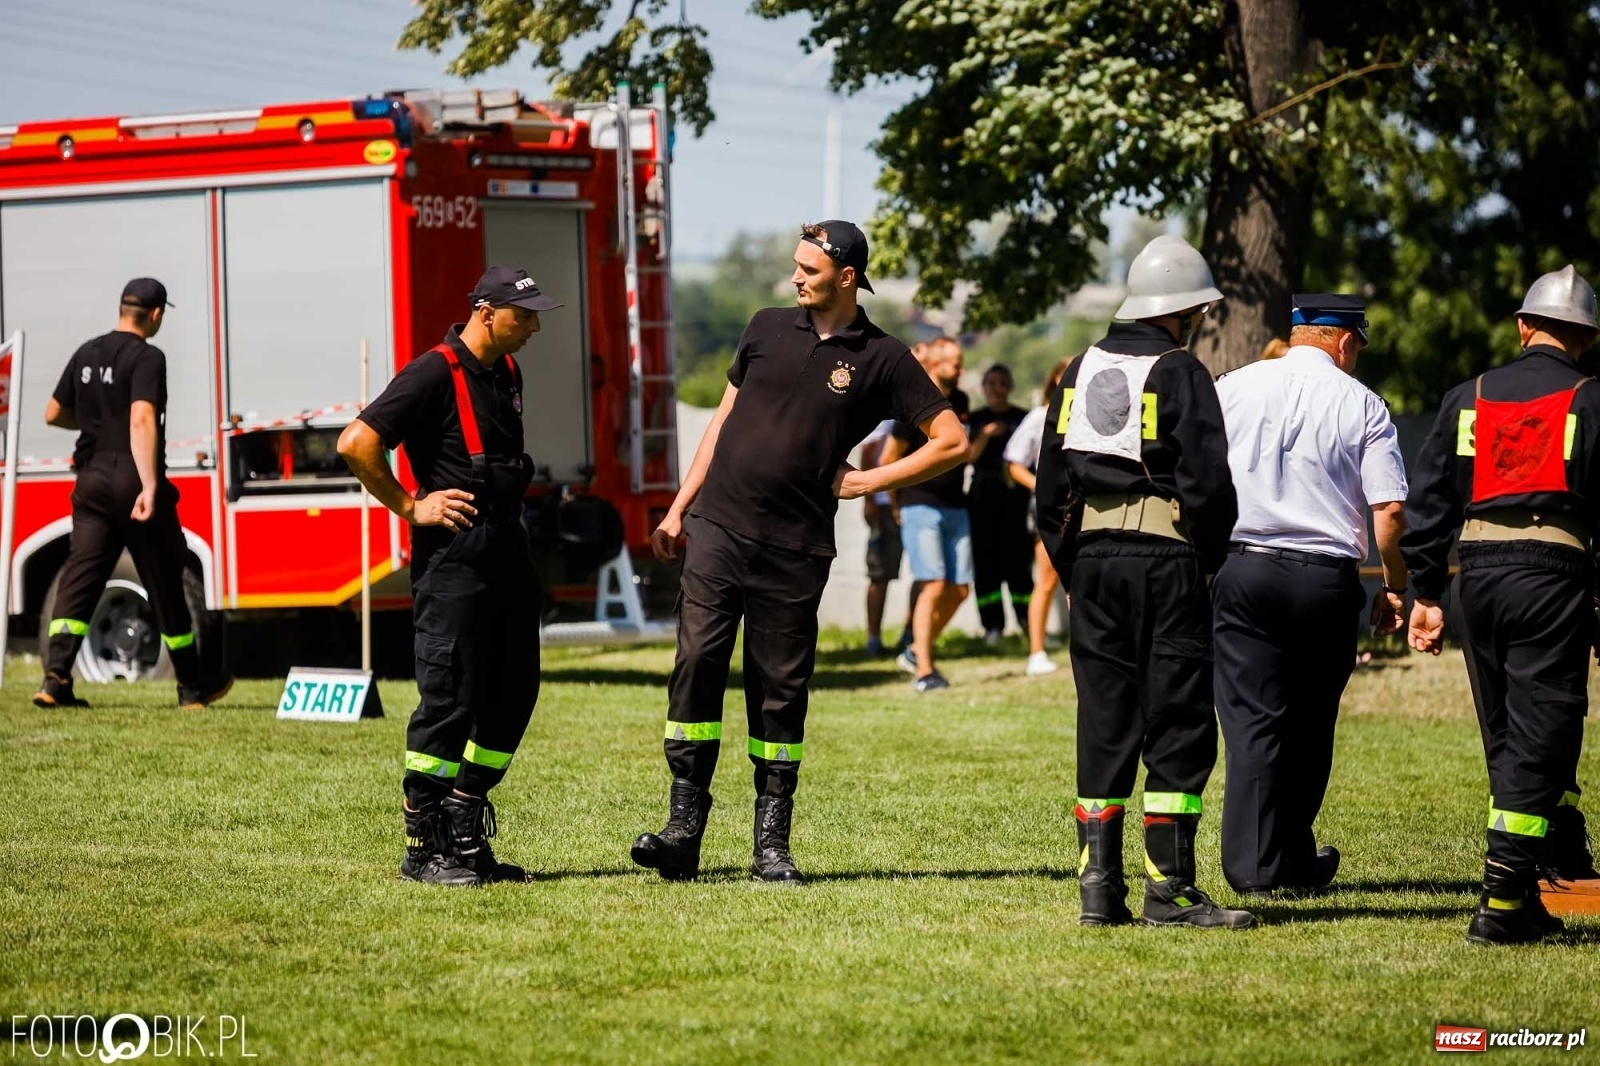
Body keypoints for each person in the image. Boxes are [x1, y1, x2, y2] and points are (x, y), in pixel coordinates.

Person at [630, 221, 966, 884]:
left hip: (796, 548)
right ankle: (683, 830)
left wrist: (868, 480)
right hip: (718, 528)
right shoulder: (762, 326)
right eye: (795, 266)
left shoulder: (884, 357)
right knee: (697, 662)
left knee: (779, 693)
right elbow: (723, 421)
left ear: (846, 277)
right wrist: (676, 509)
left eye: (808, 270)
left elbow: (951, 440)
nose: (796, 278)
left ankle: (771, 846)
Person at [1035, 234, 1253, 929]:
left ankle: (1098, 888)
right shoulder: (1181, 370)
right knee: (1179, 719)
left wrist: (1072, 564)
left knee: (1103, 720)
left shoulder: (1074, 371)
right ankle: (1170, 890)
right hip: (1167, 562)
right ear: (1187, 310)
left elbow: (1050, 486)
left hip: (1092, 564)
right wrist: (1207, 557)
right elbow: (1210, 483)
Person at [338, 264, 560, 888]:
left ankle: (464, 814)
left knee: (515, 690)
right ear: (487, 313)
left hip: (507, 550)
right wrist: (412, 505)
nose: (535, 327)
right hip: (454, 559)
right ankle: (422, 841)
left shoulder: (506, 371)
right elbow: (357, 443)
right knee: (452, 699)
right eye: (526, 315)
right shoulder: (433, 371)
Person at [1402, 264, 1600, 944]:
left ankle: (1523, 889)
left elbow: (1428, 504)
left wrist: (1425, 593)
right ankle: (1502, 903)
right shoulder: (1592, 399)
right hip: (1553, 575)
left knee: (1507, 736)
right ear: (1588, 339)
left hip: (1476, 576)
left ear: (1523, 327)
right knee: (1540, 734)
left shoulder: (1469, 397)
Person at [1212, 295, 1410, 898]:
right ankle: (1283, 857)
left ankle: (1257, 862)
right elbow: (1391, 510)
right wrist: (1395, 585)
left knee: (1252, 721)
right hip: (1325, 578)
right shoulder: (1364, 404)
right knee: (1310, 721)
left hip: (1243, 566)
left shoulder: (1231, 387)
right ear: (1346, 341)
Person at [34, 279, 232, 712]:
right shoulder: (148, 357)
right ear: (157, 314)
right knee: (164, 578)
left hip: (89, 480)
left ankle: (55, 679)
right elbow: (142, 418)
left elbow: (53, 413)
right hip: (131, 478)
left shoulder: (87, 353)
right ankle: (192, 689)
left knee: (80, 579)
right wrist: (149, 486)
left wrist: (96, 424)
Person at [883, 337, 972, 692]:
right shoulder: (912, 402)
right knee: (933, 584)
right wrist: (893, 503)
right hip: (919, 503)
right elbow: (889, 458)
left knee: (960, 589)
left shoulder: (961, 401)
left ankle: (916, 648)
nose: (961, 369)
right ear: (934, 363)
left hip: (956, 505)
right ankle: (924, 669)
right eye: (955, 362)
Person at [1004, 358, 1072, 677]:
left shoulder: (1093, 414)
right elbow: (1014, 461)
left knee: (1082, 580)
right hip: (1050, 507)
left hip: (1086, 506)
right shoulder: (1040, 416)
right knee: (1047, 579)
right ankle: (1036, 650)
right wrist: (1041, 486)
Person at [967, 364, 1034, 645]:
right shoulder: (975, 418)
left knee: (1018, 561)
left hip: (1015, 495)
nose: (996, 389)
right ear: (983, 387)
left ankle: (1027, 620)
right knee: (986, 564)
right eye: (991, 383)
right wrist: (985, 434)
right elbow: (967, 456)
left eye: (1002, 383)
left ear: (1010, 386)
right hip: (983, 495)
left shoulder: (1023, 418)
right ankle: (992, 625)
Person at [859, 418, 902, 657]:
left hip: (910, 502)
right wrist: (869, 499)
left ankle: (909, 636)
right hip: (884, 507)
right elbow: (868, 449)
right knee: (878, 574)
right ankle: (873, 638)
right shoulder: (885, 417)